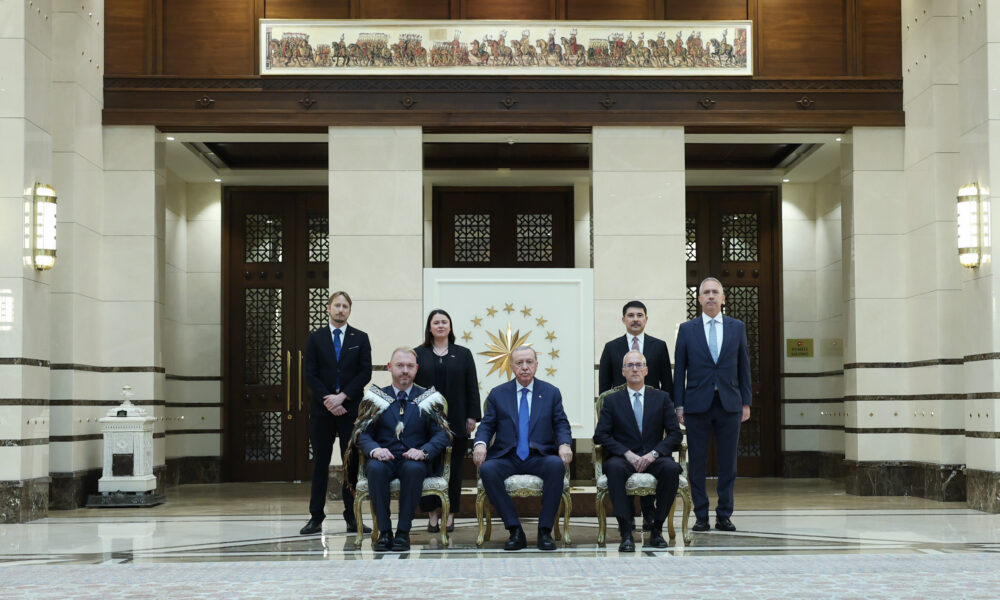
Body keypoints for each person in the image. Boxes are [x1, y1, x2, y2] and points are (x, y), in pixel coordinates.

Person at [473, 346, 572, 551]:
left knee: (556, 465)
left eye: (529, 362)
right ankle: (515, 530)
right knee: (488, 469)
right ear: (511, 366)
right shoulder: (498, 394)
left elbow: (561, 423)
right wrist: (480, 443)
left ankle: (544, 531)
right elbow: (487, 425)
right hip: (507, 456)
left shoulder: (551, 392)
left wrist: (564, 444)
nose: (525, 367)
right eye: (519, 363)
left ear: (536, 365)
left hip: (539, 456)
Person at [672, 277, 752, 533]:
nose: (710, 296)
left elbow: (744, 366)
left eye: (715, 292)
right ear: (698, 299)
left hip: (730, 404)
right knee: (697, 463)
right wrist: (679, 405)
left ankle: (724, 515)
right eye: (705, 292)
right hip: (697, 405)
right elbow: (680, 370)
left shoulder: (737, 327)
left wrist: (746, 402)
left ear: (723, 298)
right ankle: (701, 515)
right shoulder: (687, 329)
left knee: (728, 463)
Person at [356, 348, 451, 552]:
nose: (405, 370)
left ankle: (402, 533)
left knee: (413, 469)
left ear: (417, 369)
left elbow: (442, 434)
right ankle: (384, 532)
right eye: (400, 366)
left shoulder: (428, 397)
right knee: (375, 469)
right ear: (390, 367)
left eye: (410, 366)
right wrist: (375, 450)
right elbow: (361, 434)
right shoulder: (375, 397)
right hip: (384, 458)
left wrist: (424, 451)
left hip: (415, 459)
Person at [593, 350, 682, 552]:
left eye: (639, 365)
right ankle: (626, 532)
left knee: (671, 469)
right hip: (624, 458)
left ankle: (657, 528)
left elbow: (675, 434)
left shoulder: (662, 398)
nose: (635, 369)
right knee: (614, 468)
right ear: (623, 371)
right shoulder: (612, 400)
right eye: (630, 365)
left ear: (646, 370)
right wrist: (626, 453)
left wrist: (654, 454)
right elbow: (600, 435)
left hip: (654, 457)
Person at [300, 291, 372, 536]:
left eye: (345, 306)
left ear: (349, 310)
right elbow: (310, 374)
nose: (341, 310)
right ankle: (315, 517)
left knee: (350, 464)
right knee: (320, 463)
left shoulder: (360, 338)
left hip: (350, 409)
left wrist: (343, 397)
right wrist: (329, 399)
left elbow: (364, 373)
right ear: (328, 308)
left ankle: (352, 517)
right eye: (337, 305)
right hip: (322, 411)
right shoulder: (315, 338)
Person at [597, 300, 674, 529]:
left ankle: (651, 515)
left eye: (640, 315)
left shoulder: (658, 346)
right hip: (622, 421)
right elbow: (604, 389)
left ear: (646, 319)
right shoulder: (611, 347)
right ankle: (627, 519)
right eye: (630, 315)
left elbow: (667, 384)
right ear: (623, 319)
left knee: (659, 464)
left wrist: (670, 411)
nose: (635, 319)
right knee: (620, 468)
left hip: (652, 419)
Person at [414, 309, 481, 533]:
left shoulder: (463, 354)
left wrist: (472, 416)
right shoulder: (418, 354)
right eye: (436, 322)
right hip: (425, 421)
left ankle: (450, 514)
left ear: (450, 327)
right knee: (428, 466)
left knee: (454, 469)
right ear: (429, 327)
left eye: (444, 322)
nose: (440, 325)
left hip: (457, 420)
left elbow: (472, 386)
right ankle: (432, 514)